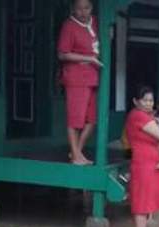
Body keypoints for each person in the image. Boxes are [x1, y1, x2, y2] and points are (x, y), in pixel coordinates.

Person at [124, 86, 159, 227]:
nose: (148, 103)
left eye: (151, 100)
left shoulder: (147, 116)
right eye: (144, 100)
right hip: (143, 164)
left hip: (150, 165)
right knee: (141, 203)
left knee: (147, 202)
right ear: (135, 101)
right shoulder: (139, 116)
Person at [57, 0, 101, 166]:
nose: (83, 12)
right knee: (75, 120)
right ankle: (76, 156)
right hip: (76, 77)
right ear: (73, 9)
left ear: (92, 8)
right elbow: (63, 54)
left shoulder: (95, 22)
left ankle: (76, 152)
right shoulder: (69, 26)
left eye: (87, 8)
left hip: (92, 77)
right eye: (79, 8)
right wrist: (88, 58)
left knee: (91, 120)